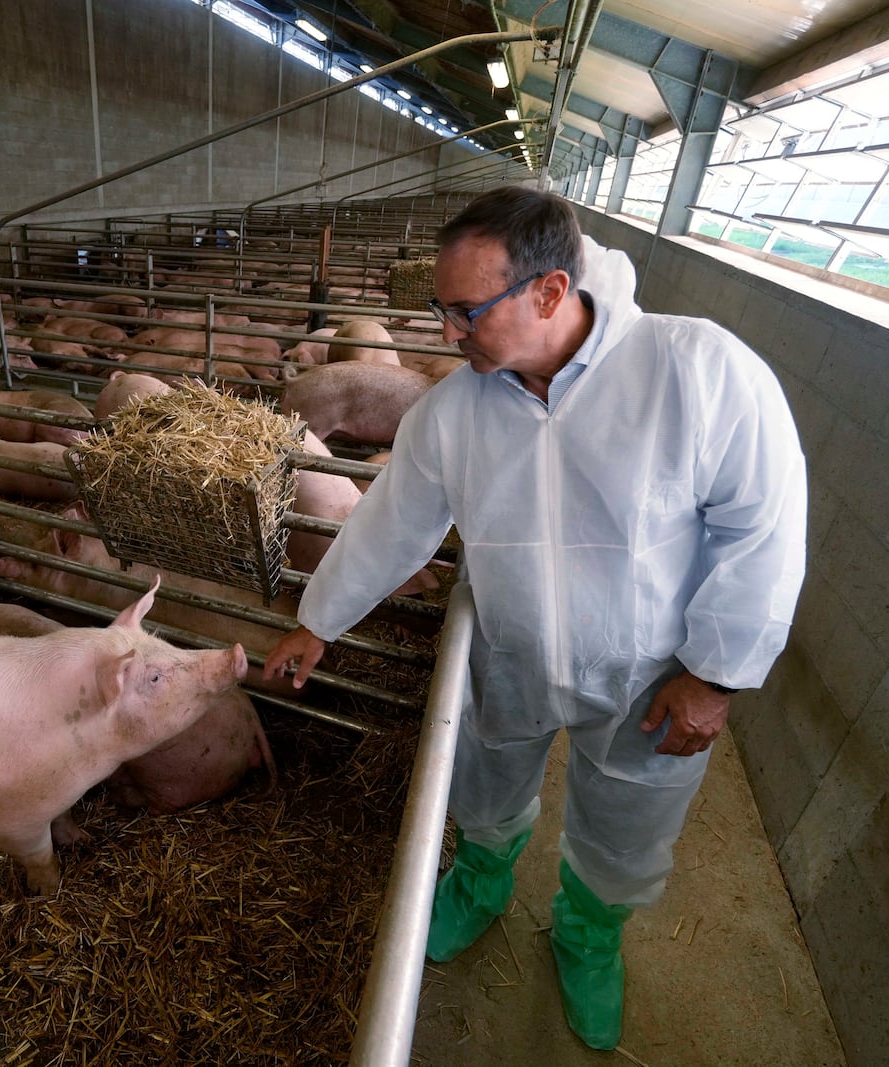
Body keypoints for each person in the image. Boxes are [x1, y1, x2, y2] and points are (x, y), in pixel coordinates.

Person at [262, 186, 807, 1050]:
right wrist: (318, 617)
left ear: (549, 291)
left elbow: (764, 525)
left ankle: (590, 937)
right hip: (510, 653)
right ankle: (480, 882)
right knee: (484, 778)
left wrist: (717, 672)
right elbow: (394, 521)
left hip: (651, 676)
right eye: (442, 310)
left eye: (464, 311)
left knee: (631, 815)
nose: (447, 331)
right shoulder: (452, 412)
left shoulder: (696, 370)